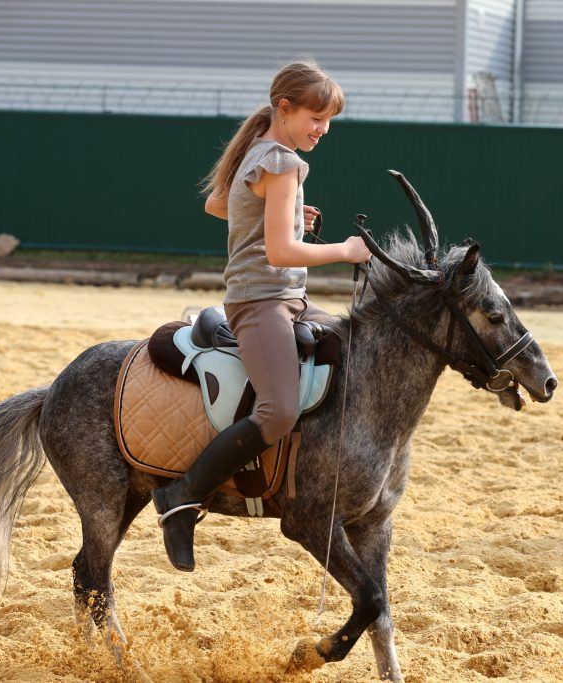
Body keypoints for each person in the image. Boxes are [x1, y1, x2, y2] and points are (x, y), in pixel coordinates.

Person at [152, 61, 372, 572]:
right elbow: (279, 250)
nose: (323, 130)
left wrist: (290, 209)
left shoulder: (265, 155)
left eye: (329, 121)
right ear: (285, 109)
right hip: (260, 301)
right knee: (278, 411)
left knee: (356, 346)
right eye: (316, 118)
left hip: (288, 297)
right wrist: (343, 249)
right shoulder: (282, 163)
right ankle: (182, 495)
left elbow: (216, 205)